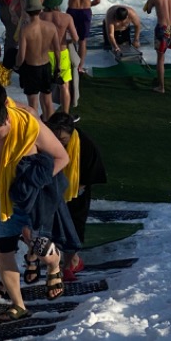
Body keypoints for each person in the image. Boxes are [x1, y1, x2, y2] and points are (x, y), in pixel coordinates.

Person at [0, 83, 70, 321]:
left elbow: (62, 157)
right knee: (4, 251)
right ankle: (18, 305)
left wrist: (36, 183)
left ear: (6, 117)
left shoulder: (29, 123)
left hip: (31, 201)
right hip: (1, 201)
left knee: (41, 250)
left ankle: (54, 265)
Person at [46, 112, 107, 281]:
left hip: (76, 191)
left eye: (63, 140)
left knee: (74, 227)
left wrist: (74, 190)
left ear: (71, 133)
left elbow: (90, 172)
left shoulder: (85, 144)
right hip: (51, 189)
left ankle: (68, 265)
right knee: (51, 227)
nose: (58, 143)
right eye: (55, 138)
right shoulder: (44, 140)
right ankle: (63, 261)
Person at [16, 0, 60, 120]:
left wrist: (17, 65)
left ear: (27, 12)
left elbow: (21, 55)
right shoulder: (51, 27)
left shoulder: (25, 30)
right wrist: (58, 67)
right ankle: (51, 128)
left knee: (33, 104)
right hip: (46, 66)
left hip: (31, 68)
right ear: (41, 10)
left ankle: (37, 131)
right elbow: (57, 49)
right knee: (47, 100)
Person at [60, 0, 101, 74]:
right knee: (82, 41)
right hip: (85, 12)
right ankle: (79, 67)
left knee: (69, 38)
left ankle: (69, 63)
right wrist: (88, 4)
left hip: (72, 11)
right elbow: (98, 0)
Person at [41, 0, 79, 114]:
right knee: (64, 85)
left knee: (45, 88)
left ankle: (47, 115)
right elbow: (75, 38)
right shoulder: (66, 18)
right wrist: (65, 41)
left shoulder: (40, 16)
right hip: (62, 53)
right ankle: (65, 114)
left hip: (45, 54)